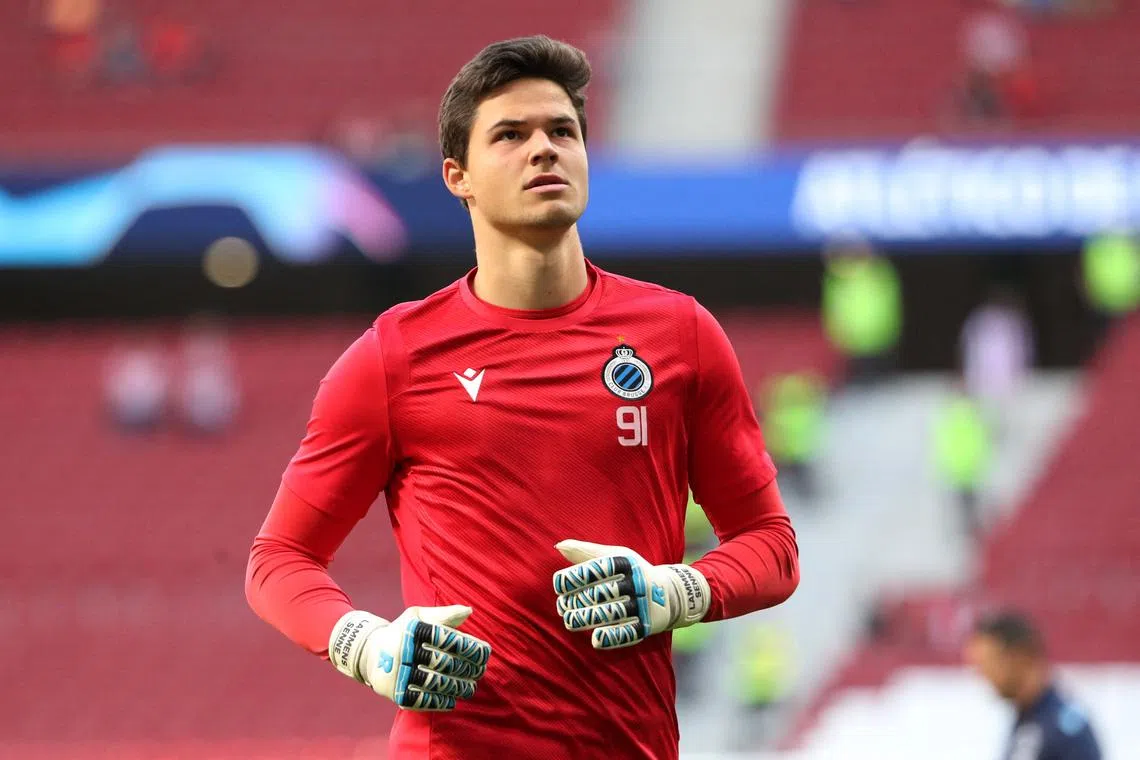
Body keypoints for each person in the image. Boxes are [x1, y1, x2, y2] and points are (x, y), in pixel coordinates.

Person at [245, 35, 799, 759]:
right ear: (457, 176)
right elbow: (278, 560)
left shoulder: (680, 336)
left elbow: (773, 547)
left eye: (562, 131)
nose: (544, 149)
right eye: (510, 134)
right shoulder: (392, 359)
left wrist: (672, 593)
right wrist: (370, 646)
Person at [964, 610, 1102, 760]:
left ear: (1019, 657)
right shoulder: (1028, 719)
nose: (983, 674)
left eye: (988, 663)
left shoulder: (1064, 731)